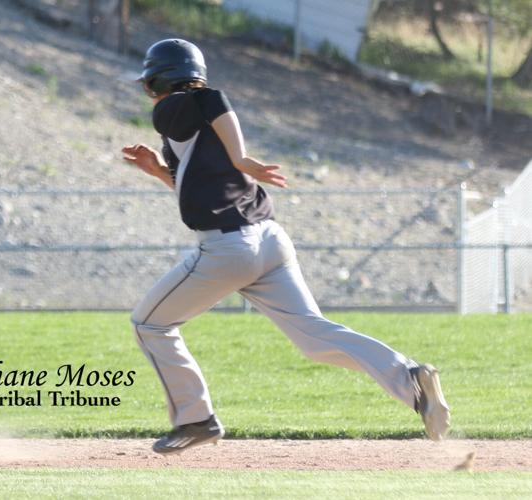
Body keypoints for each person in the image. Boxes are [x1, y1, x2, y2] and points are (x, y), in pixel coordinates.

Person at [121, 39, 450, 455]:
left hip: (229, 250)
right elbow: (198, 188)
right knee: (316, 337)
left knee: (149, 324)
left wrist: (241, 157)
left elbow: (211, 98)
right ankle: (411, 379)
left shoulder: (178, 105)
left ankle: (195, 418)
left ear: (158, 80)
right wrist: (159, 171)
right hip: (269, 240)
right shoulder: (196, 132)